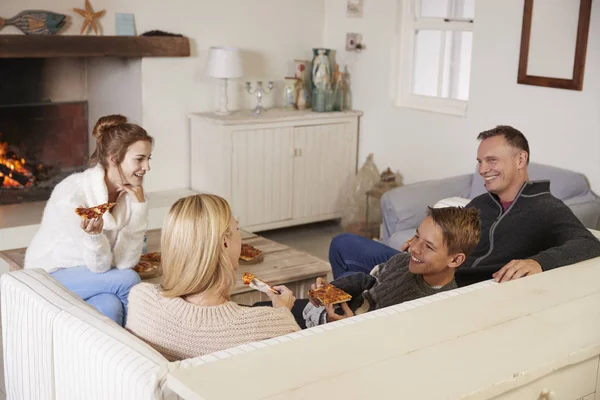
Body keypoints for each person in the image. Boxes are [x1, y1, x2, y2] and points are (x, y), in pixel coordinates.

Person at [329, 125, 600, 287]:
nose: (482, 169)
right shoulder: (485, 201)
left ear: (520, 159)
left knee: (353, 264)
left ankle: (364, 303)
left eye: (491, 161)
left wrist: (538, 262)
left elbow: (588, 244)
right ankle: (361, 303)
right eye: (480, 161)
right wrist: (420, 239)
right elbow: (449, 229)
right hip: (423, 264)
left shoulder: (544, 207)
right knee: (343, 244)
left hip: (446, 282)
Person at [126, 194, 300, 361]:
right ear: (225, 242)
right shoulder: (270, 325)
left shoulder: (141, 298)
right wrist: (282, 312)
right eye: (237, 229)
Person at [24, 114, 153, 326]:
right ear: (114, 158)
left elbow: (124, 262)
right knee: (129, 281)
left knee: (110, 305)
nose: (147, 167)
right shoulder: (72, 194)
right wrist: (94, 237)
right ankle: (143, 349)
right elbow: (101, 267)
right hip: (50, 274)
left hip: (93, 276)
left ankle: (113, 357)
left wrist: (139, 210)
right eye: (139, 159)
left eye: (149, 158)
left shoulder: (133, 196)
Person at [302, 206, 481, 326]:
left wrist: (349, 329)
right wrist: (331, 291)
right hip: (340, 315)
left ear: (455, 260)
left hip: (344, 334)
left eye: (428, 246)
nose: (414, 248)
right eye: (417, 237)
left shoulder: (435, 310)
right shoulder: (402, 262)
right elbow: (369, 281)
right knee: (281, 304)